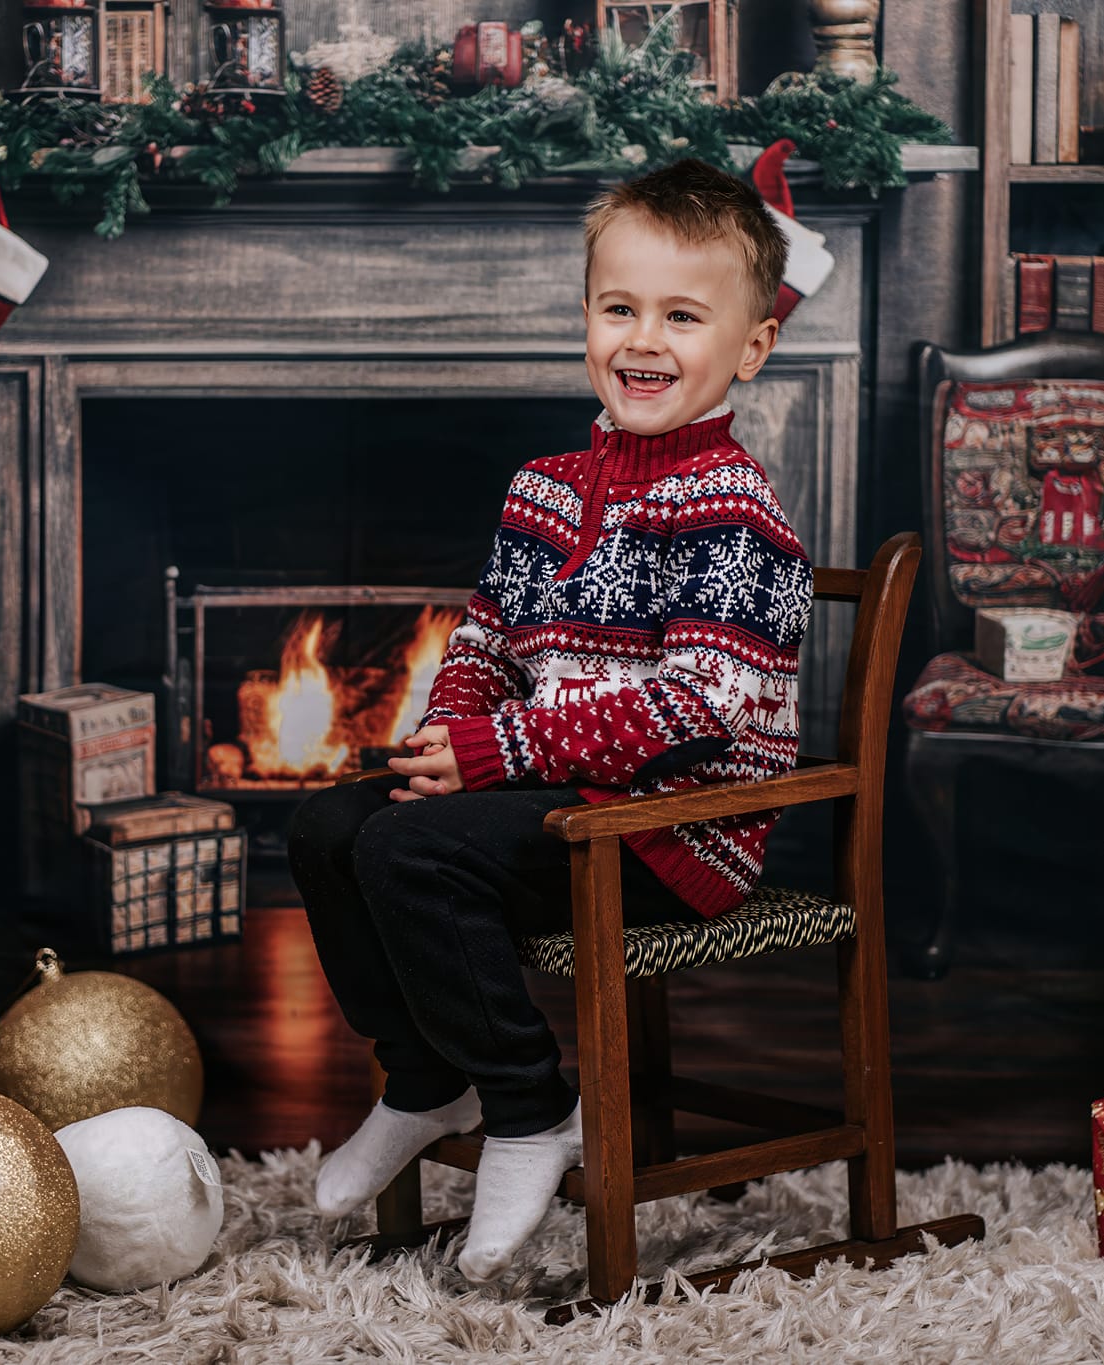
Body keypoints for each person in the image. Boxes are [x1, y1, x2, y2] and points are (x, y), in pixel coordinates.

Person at [288, 158, 814, 1285]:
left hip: (676, 829)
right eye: (619, 308)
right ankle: (428, 1081)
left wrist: (499, 754)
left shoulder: (733, 510)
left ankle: (532, 1109)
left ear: (750, 348)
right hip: (555, 799)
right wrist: (449, 738)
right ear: (583, 320)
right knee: (330, 827)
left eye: (682, 316)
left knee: (411, 849)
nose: (643, 339)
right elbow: (483, 639)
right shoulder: (543, 489)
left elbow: (697, 708)